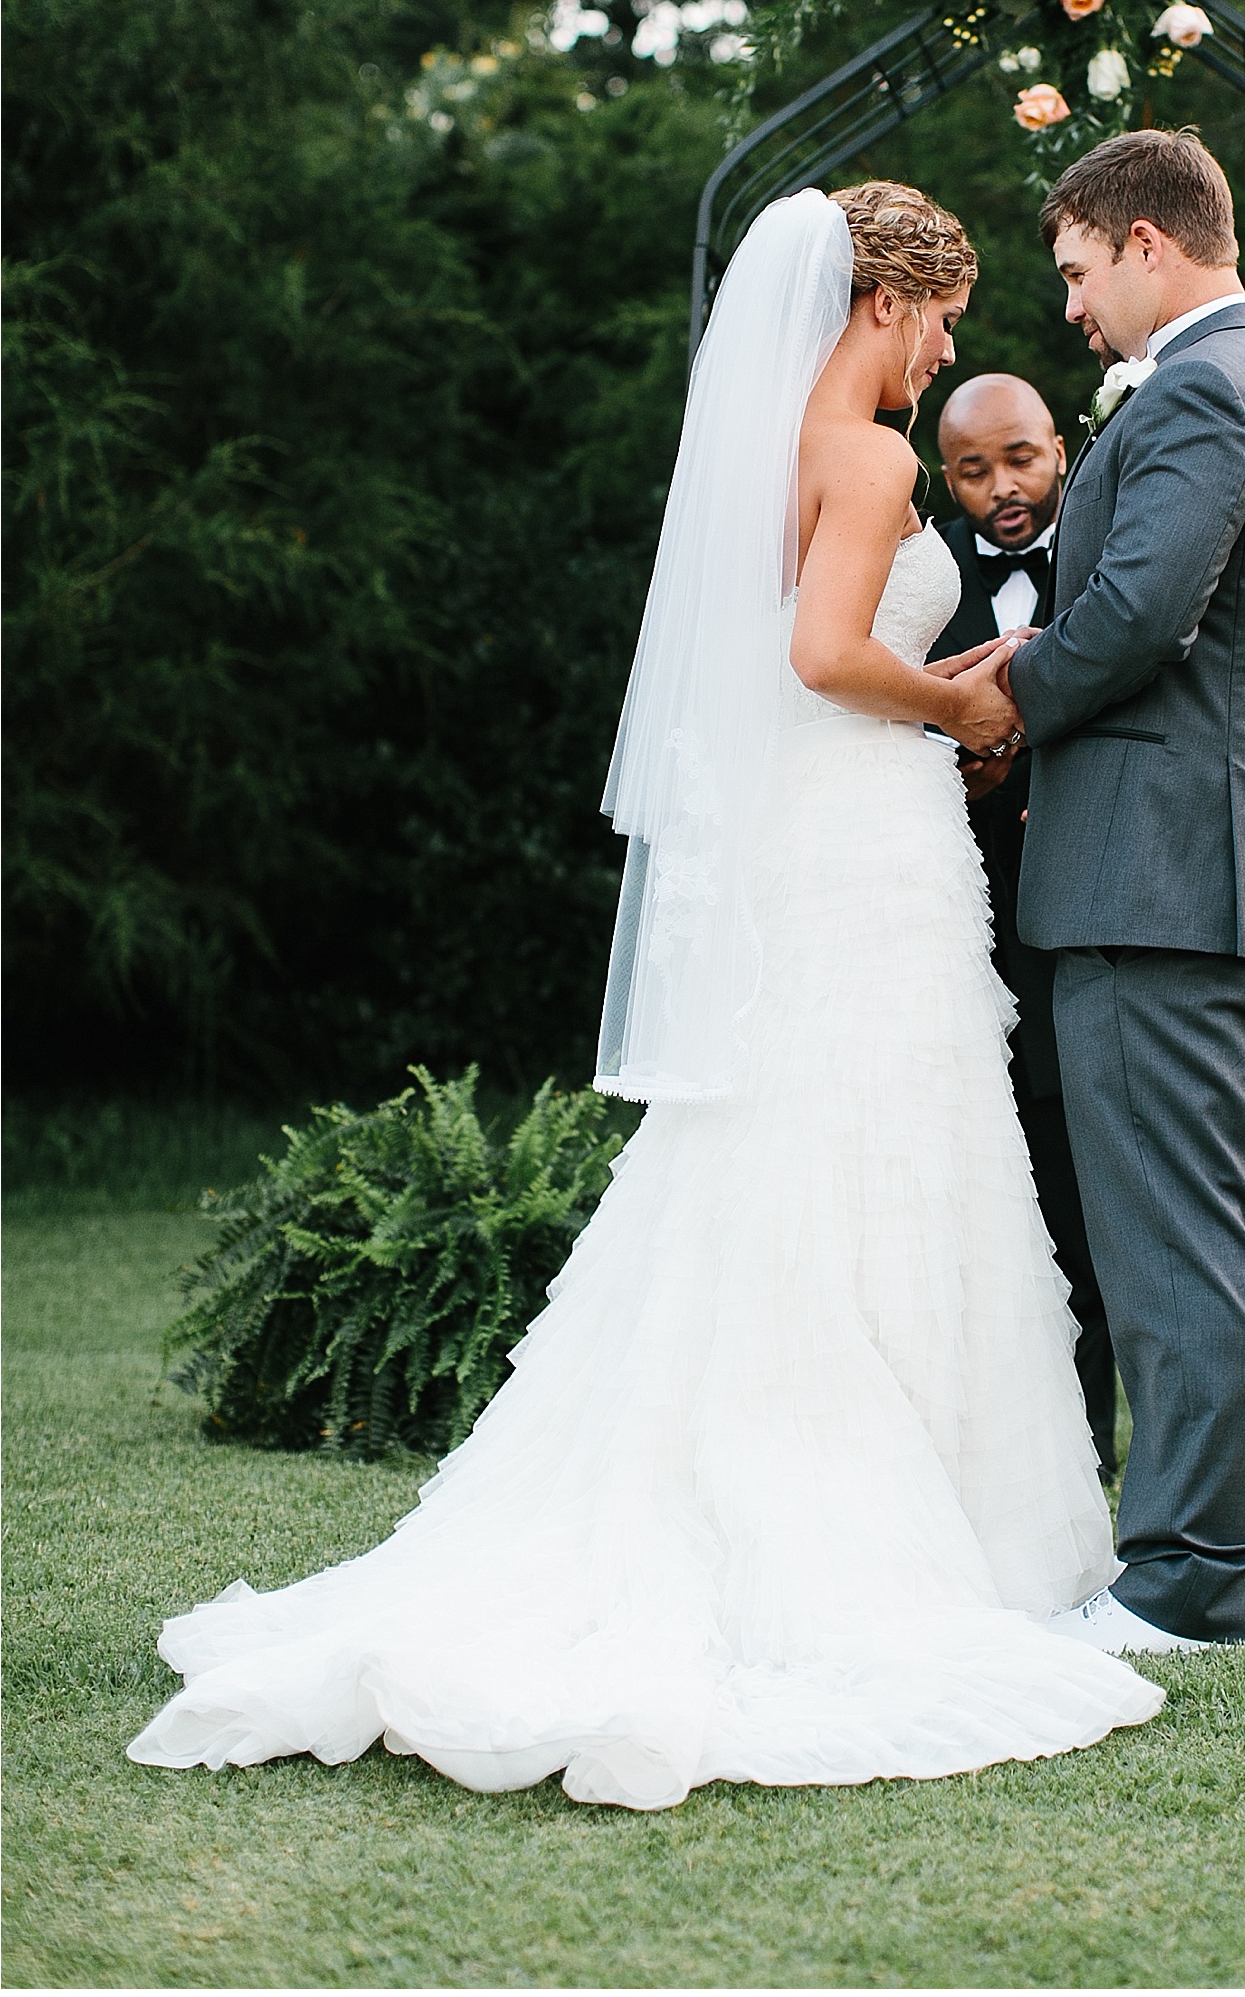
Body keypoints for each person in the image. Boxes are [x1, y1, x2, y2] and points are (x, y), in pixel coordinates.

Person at [126, 183, 1161, 1810]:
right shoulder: (877, 458)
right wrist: (967, 713)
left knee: (804, 1155)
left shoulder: (759, 458)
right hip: (866, 857)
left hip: (818, 850)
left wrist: (939, 690)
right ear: (879, 305)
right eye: (942, 312)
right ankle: (897, 1518)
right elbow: (827, 658)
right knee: (881, 1153)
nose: (951, 344)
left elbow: (777, 660)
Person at [1004, 130, 1245, 1662]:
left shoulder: (1205, 384)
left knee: (1174, 1245)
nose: (1075, 309)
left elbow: (1141, 612)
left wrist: (1007, 694)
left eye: (1079, 273)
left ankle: (1190, 1576)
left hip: (1165, 884)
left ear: (1147, 243)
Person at [926, 371, 1119, 1479]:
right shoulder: (917, 576)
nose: (1002, 487)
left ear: (1060, 447)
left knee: (1070, 1208)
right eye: (972, 470)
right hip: (946, 927)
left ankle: (1080, 1460)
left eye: (1021, 458)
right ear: (944, 476)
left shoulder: (1115, 555)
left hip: (1073, 938)